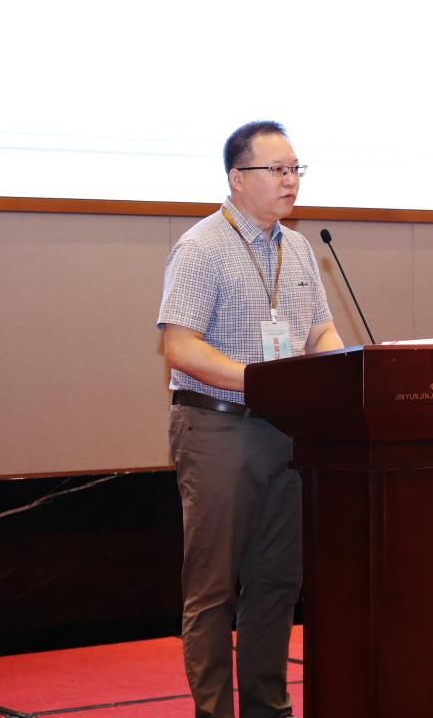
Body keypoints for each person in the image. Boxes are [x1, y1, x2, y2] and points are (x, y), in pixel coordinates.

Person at [156, 120, 344, 718]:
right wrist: (261, 382)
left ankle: (269, 709)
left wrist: (341, 367)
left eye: (295, 169)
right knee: (213, 588)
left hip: (288, 432)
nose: (290, 180)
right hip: (218, 429)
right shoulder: (202, 247)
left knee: (277, 581)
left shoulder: (299, 249)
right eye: (277, 170)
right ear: (238, 178)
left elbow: (320, 331)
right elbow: (180, 347)